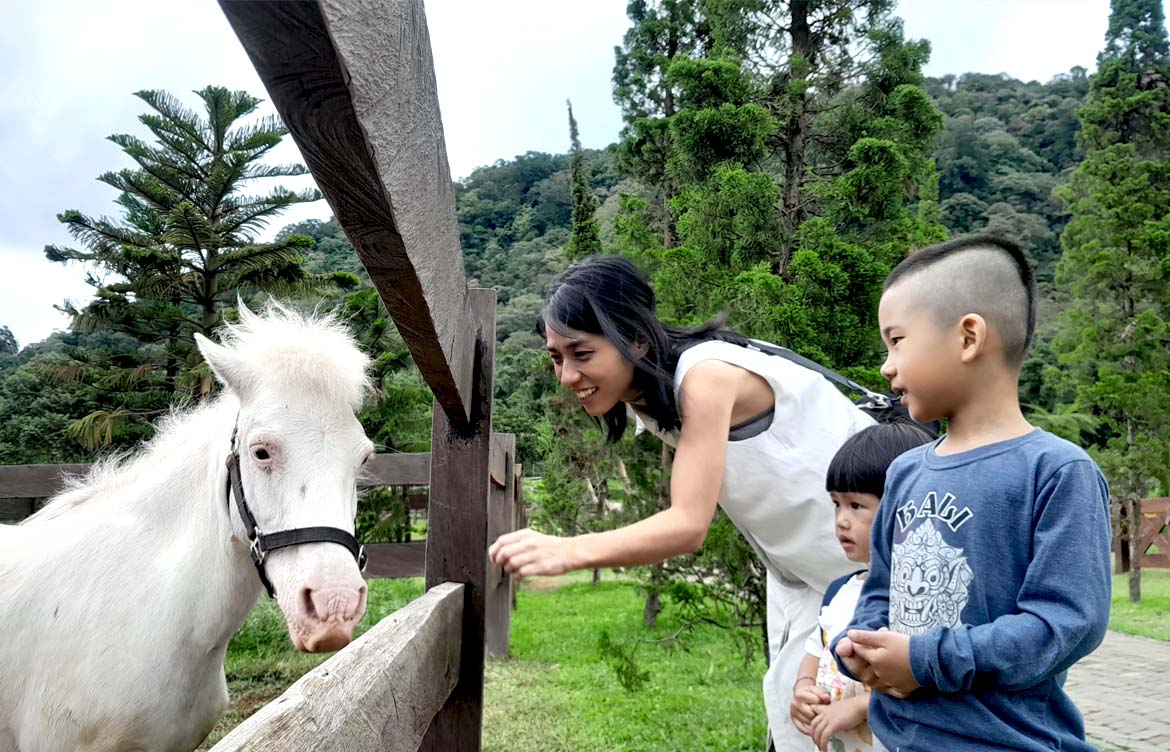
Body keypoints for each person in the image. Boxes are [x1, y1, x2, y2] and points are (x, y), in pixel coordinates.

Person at [489, 254, 876, 750]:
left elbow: (689, 523)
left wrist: (568, 550)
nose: (566, 375)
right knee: (800, 720)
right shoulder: (654, 396)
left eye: (581, 353)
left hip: (872, 582)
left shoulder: (705, 376)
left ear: (637, 340)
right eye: (556, 356)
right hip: (810, 583)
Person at [831, 235, 1112, 751]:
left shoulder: (1057, 470)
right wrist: (857, 644)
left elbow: (1066, 622)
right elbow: (880, 592)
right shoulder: (904, 472)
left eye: (896, 341)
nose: (885, 366)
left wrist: (925, 660)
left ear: (968, 338)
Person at [790, 422, 935, 752]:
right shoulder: (839, 591)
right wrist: (804, 688)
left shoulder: (919, 599)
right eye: (836, 504)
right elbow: (817, 651)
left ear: (906, 510)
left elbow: (923, 686)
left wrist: (859, 706)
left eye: (856, 505)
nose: (841, 519)